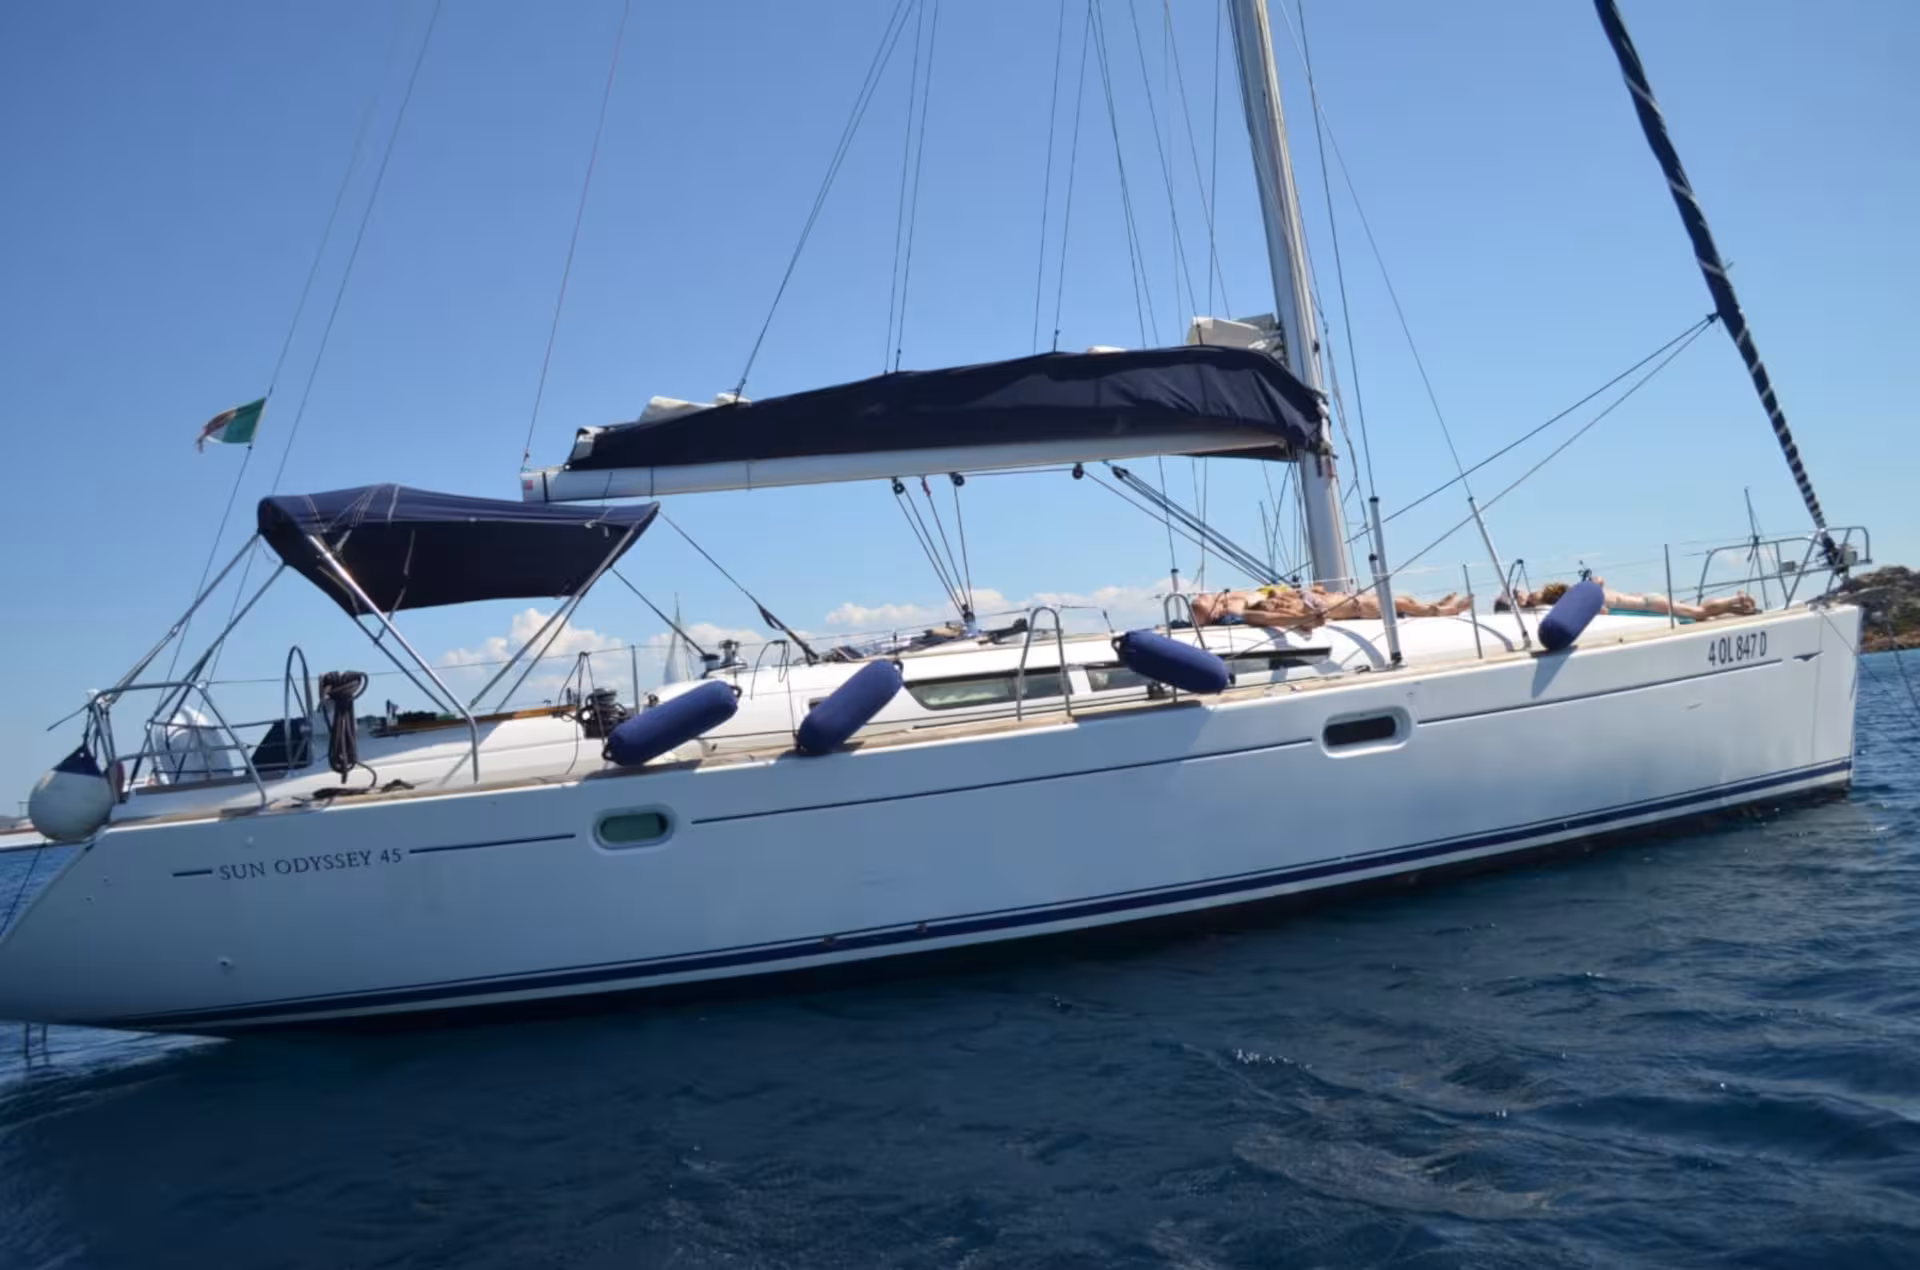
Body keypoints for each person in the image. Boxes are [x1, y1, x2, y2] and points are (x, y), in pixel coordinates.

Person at [1188, 584, 1471, 629]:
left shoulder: (1230, 595)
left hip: (1324, 596)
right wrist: (1302, 619)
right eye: (1199, 601)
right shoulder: (1234, 611)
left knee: (1403, 597)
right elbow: (1265, 617)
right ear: (1210, 613)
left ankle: (1434, 605)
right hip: (1348, 607)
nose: (1200, 595)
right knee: (1397, 601)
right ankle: (1445, 611)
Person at [1500, 578, 1757, 621]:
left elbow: (1602, 612)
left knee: (1698, 612)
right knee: (1696, 616)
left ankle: (1735, 599)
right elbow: (1599, 581)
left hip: (1648, 604)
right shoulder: (1582, 589)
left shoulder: (1578, 600)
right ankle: (1738, 610)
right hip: (1644, 598)